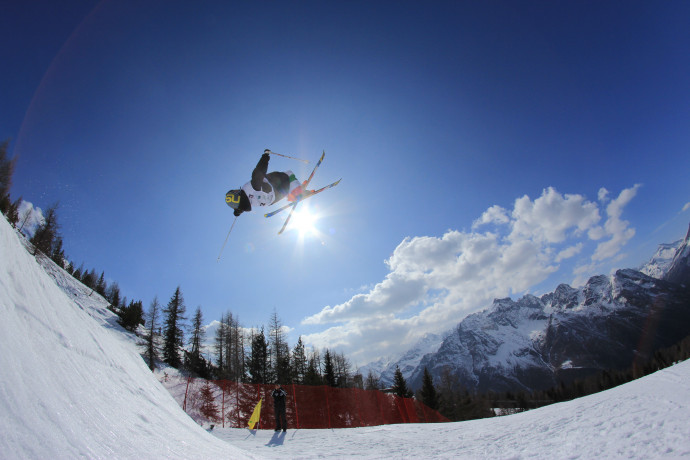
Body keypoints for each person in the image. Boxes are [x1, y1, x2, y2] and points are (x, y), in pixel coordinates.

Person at [226, 149, 312, 217]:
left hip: (274, 199)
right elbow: (259, 171)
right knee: (289, 174)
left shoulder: (244, 205)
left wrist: (237, 212)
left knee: (286, 186)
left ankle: (294, 192)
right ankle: (297, 191)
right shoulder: (249, 187)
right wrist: (265, 155)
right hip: (274, 187)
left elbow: (240, 208)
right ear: (237, 193)